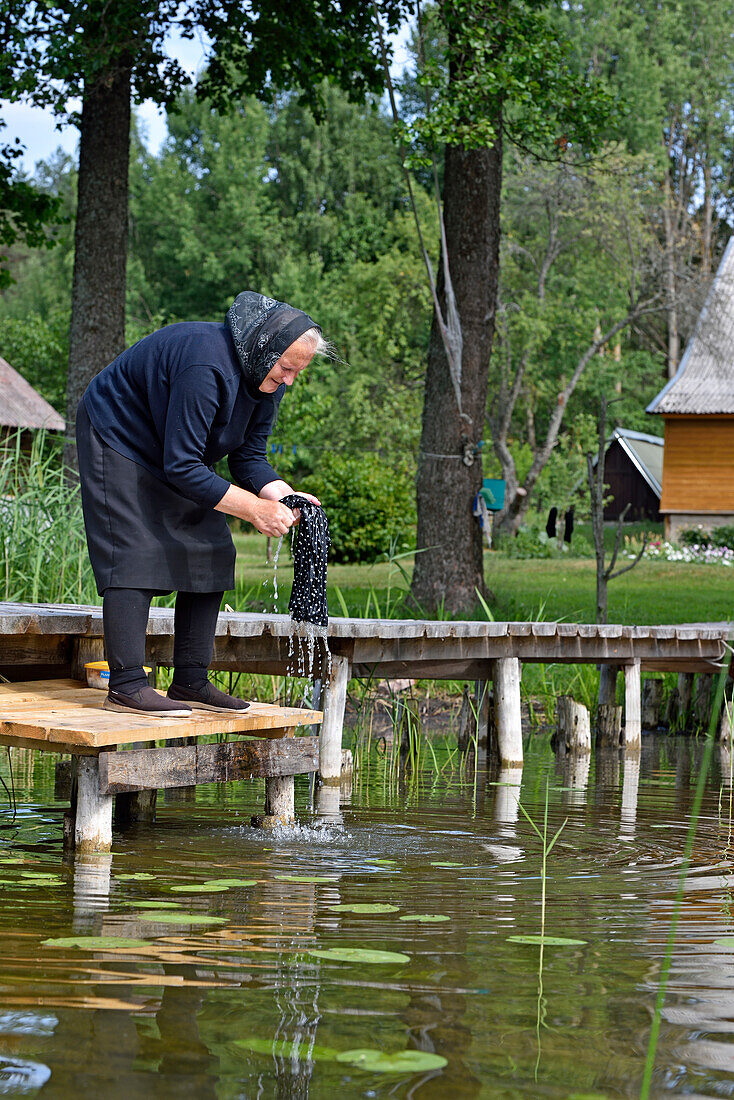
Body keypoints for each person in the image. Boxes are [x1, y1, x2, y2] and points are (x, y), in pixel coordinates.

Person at [76, 291, 328, 718]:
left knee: (212, 544)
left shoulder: (267, 379)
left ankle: (190, 681)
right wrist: (253, 510)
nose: (288, 380)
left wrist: (284, 495)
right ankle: (127, 685)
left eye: (297, 373)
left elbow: (248, 457)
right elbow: (182, 466)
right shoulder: (206, 365)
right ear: (262, 349)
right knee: (135, 550)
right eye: (286, 369)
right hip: (119, 434)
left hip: (176, 450)